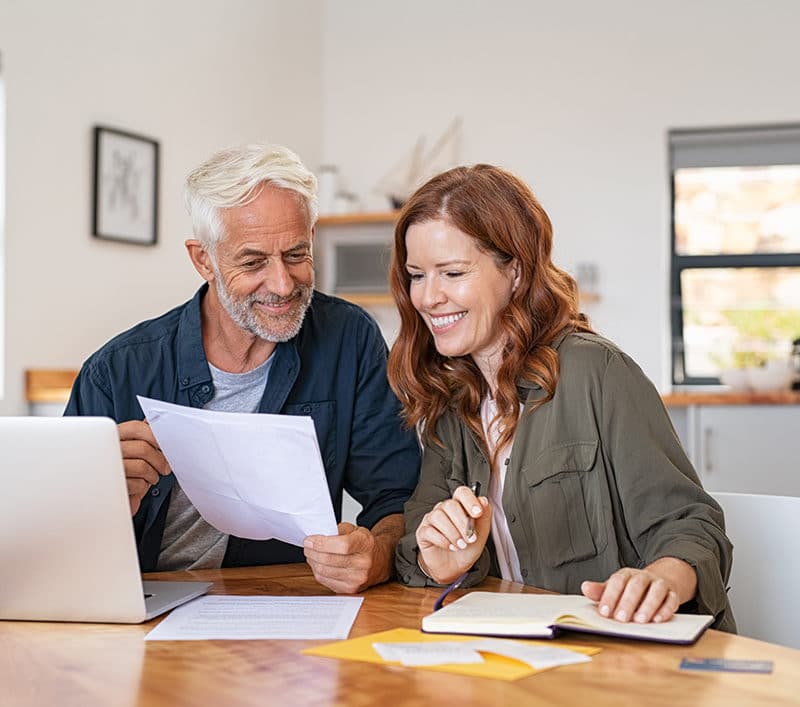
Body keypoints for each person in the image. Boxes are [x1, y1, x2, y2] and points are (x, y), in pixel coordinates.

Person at [390, 164, 735, 631]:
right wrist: (443, 561)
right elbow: (415, 544)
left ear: (515, 271)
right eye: (416, 275)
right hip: (519, 656)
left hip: (624, 659)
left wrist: (661, 579)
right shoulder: (453, 399)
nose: (428, 297)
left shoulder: (597, 372)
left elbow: (692, 525)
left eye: (452, 272)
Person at [65, 143, 420, 594]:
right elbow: (55, 538)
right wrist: (101, 496)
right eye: (253, 262)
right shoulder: (115, 371)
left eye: (296, 254)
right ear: (203, 260)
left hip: (279, 604)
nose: (282, 284)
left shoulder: (348, 339)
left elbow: (397, 498)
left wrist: (377, 554)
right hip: (142, 605)